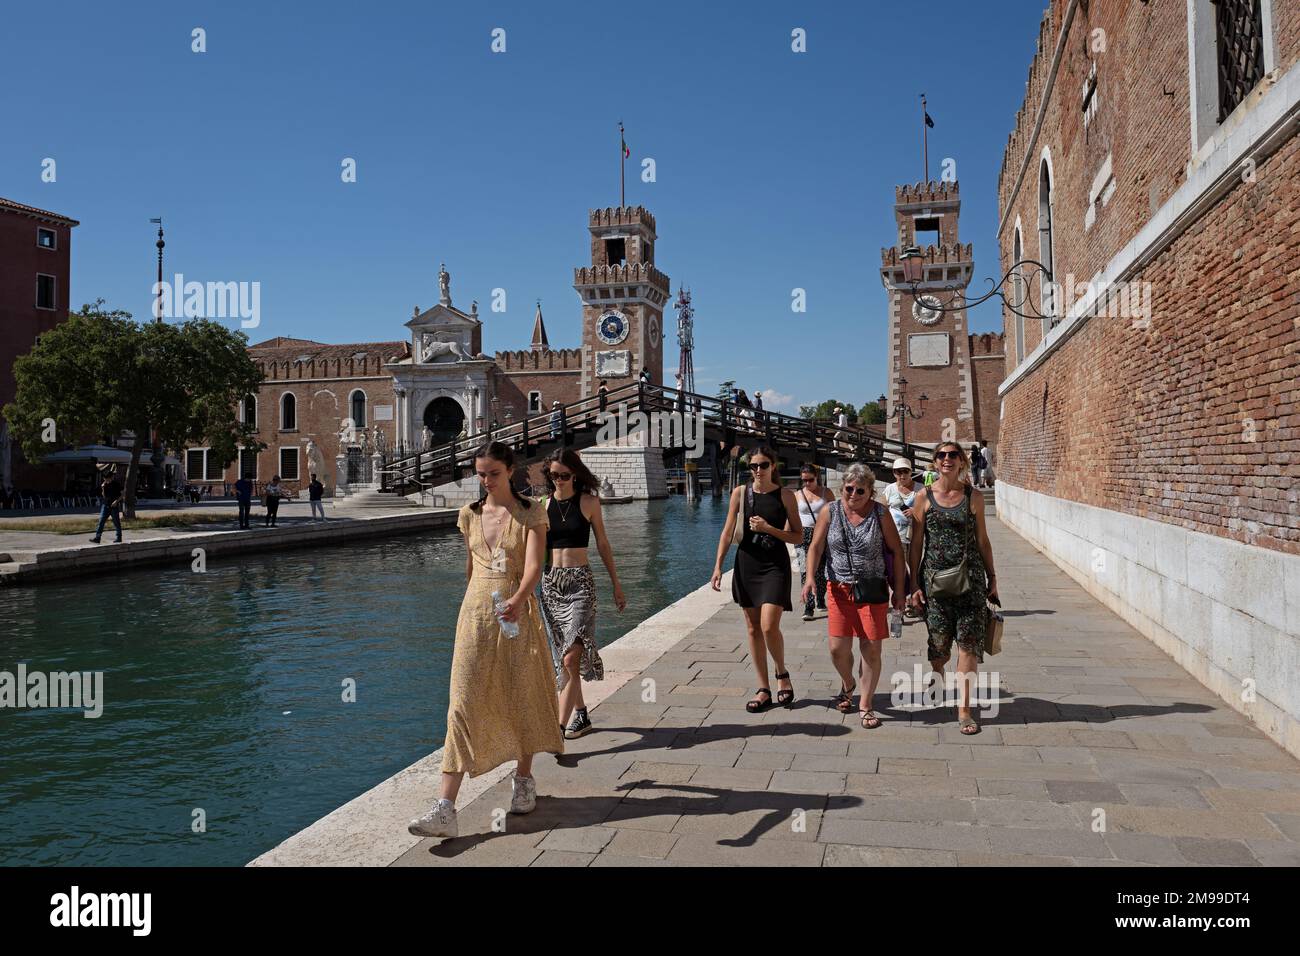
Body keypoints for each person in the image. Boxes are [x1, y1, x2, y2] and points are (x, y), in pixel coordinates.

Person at [408, 441, 564, 839]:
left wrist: (516, 600)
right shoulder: (468, 514)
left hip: (518, 613)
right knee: (461, 702)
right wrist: (473, 610)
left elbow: (535, 566)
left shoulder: (532, 513)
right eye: (480, 473)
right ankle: (445, 808)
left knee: (521, 693)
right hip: (475, 615)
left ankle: (524, 779)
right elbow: (469, 568)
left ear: (510, 470)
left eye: (493, 472)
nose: (486, 480)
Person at [802, 463, 906, 729]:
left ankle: (866, 703)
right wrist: (811, 577)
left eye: (861, 490)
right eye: (849, 488)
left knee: (870, 649)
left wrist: (900, 591)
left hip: (871, 590)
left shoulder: (880, 514)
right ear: (842, 488)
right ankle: (848, 683)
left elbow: (896, 551)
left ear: (870, 491)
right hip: (838, 590)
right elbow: (815, 546)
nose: (854, 494)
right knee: (838, 650)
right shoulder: (831, 511)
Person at [908, 441, 999, 736]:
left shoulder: (972, 496)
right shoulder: (923, 497)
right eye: (942, 455)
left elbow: (983, 540)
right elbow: (917, 543)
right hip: (934, 583)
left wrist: (992, 577)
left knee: (969, 646)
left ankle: (965, 709)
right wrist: (913, 584)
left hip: (970, 581)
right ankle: (937, 672)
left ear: (961, 461)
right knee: (939, 648)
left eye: (953, 455)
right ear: (935, 462)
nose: (947, 459)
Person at [538, 448, 626, 739]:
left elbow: (603, 543)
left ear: (574, 474)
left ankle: (557, 729)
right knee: (564, 657)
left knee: (569, 658)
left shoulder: (589, 502)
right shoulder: (542, 504)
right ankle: (581, 715)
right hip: (551, 585)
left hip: (580, 584)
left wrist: (616, 584)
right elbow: (533, 552)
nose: (559, 480)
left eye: (564, 475)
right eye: (554, 475)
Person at [710, 446, 804, 712]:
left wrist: (769, 529)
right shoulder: (740, 493)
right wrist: (717, 566)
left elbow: (798, 536)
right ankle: (763, 688)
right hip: (747, 564)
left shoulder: (786, 496)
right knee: (752, 628)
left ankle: (782, 675)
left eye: (763, 465)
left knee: (768, 626)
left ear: (773, 466)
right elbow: (727, 531)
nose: (758, 470)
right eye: (753, 466)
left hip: (775, 565)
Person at [794, 463, 832, 621]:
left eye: (810, 480)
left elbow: (834, 512)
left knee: (821, 570)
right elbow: (793, 516)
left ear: (817, 477)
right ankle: (808, 606)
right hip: (804, 534)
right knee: (805, 570)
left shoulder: (826, 492)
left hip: (822, 533)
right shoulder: (797, 494)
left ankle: (820, 599)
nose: (807, 483)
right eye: (804, 480)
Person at [884, 457, 920, 616]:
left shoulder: (920, 489)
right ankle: (903, 602)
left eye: (905, 471)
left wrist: (916, 511)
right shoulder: (890, 489)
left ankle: (915, 601)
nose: (902, 475)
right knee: (899, 571)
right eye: (898, 472)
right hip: (895, 538)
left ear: (911, 472)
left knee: (915, 571)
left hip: (915, 537)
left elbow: (929, 509)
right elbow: (882, 510)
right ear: (894, 473)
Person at [88, 470, 124, 544]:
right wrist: (103, 488)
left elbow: (122, 494)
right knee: (101, 521)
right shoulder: (105, 484)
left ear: (112, 477)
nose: (106, 480)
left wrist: (116, 501)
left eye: (107, 478)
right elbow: (104, 496)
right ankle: (97, 538)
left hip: (114, 506)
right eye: (105, 479)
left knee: (116, 522)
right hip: (105, 505)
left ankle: (119, 537)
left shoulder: (116, 484)